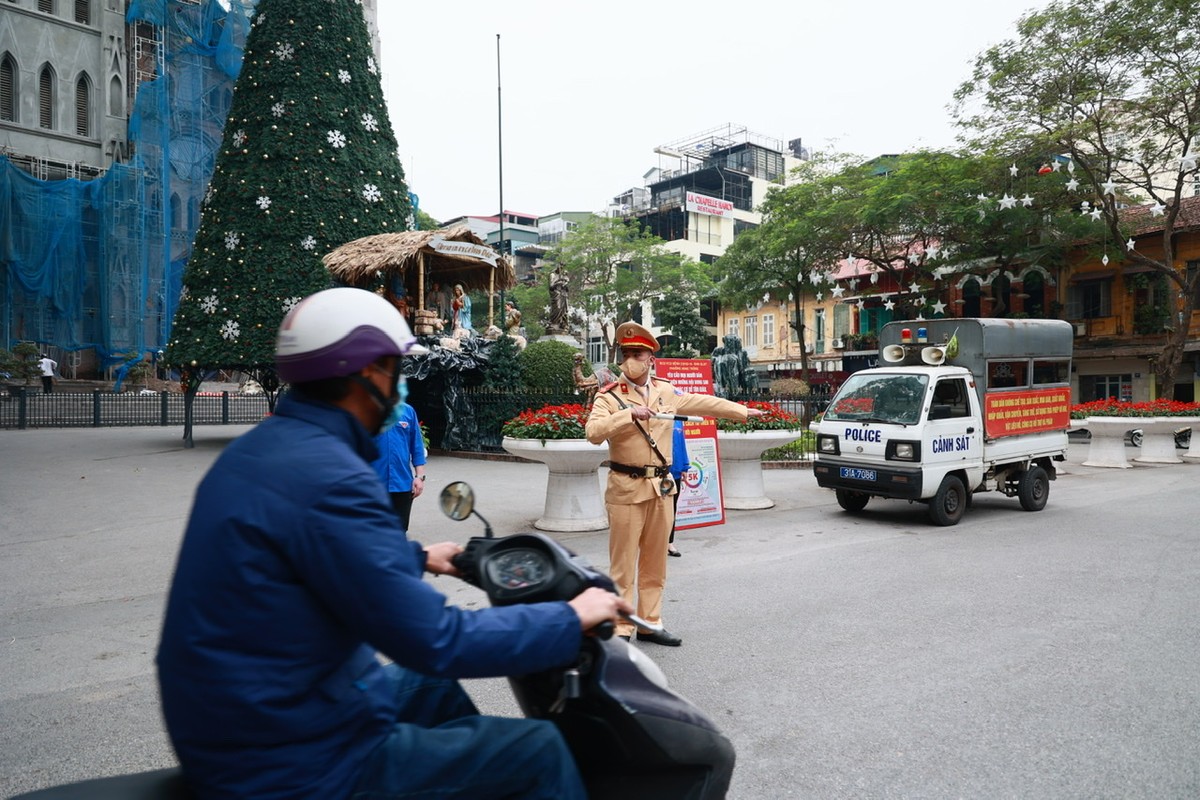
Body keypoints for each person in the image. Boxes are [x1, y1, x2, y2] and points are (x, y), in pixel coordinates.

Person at [157, 287, 629, 799]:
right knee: (537, 751)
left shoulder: (265, 451)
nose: (399, 384)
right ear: (365, 374)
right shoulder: (333, 476)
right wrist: (570, 617)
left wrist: (417, 556)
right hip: (289, 756)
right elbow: (438, 640)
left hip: (242, 715)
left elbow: (316, 553)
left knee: (429, 690)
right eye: (393, 369)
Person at [586, 321, 763, 645]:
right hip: (626, 488)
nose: (631, 359)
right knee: (623, 566)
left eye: (637, 353)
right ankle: (622, 627)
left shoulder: (666, 390)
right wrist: (629, 415)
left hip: (662, 489)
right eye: (626, 353)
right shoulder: (610, 397)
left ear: (651, 358)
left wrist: (742, 411)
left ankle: (650, 623)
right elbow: (593, 433)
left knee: (655, 564)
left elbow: (702, 402)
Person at [373, 401, 427, 531]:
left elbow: (417, 446)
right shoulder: (367, 410)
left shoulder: (407, 411)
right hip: (373, 484)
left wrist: (419, 477)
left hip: (402, 484)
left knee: (400, 530)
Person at [667, 420, 689, 558]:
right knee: (655, 510)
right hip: (659, 471)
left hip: (675, 470)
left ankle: (669, 543)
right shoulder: (656, 416)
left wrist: (684, 466)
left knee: (672, 508)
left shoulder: (678, 421)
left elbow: (681, 444)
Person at [548, 265, 569, 332]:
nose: (561, 269)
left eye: (562, 268)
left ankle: (562, 324)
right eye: (560, 267)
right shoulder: (552, 275)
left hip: (562, 294)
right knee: (557, 307)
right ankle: (554, 323)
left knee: (564, 310)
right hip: (556, 293)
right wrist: (558, 282)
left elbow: (566, 287)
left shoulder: (562, 276)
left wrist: (564, 284)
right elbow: (551, 286)